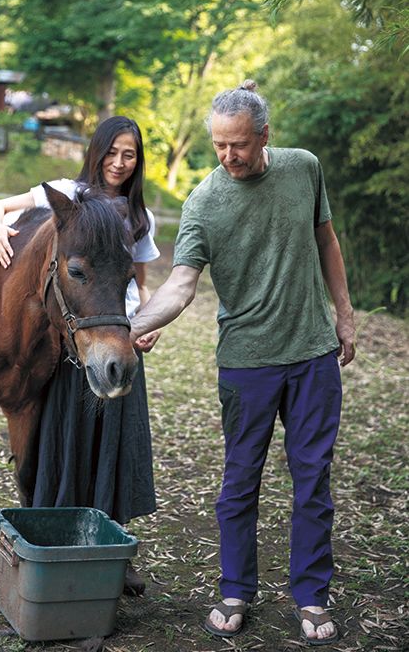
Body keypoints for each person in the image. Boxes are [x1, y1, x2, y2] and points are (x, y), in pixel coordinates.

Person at [129, 81, 355, 643]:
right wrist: (134, 326)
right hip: (247, 363)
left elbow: (326, 240)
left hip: (312, 355)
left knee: (313, 480)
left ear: (264, 136)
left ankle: (310, 595)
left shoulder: (304, 168)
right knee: (240, 481)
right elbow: (182, 284)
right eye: (219, 145)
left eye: (239, 145)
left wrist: (344, 315)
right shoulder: (204, 202)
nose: (228, 156)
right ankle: (236, 589)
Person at [0, 115, 160, 595]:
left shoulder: (138, 216)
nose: (119, 163)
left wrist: (145, 325)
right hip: (72, 342)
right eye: (112, 152)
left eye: (130, 155)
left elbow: (137, 285)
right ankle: (59, 542)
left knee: (112, 449)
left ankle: (111, 550)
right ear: (96, 151)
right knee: (65, 443)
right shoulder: (66, 193)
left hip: (119, 337)